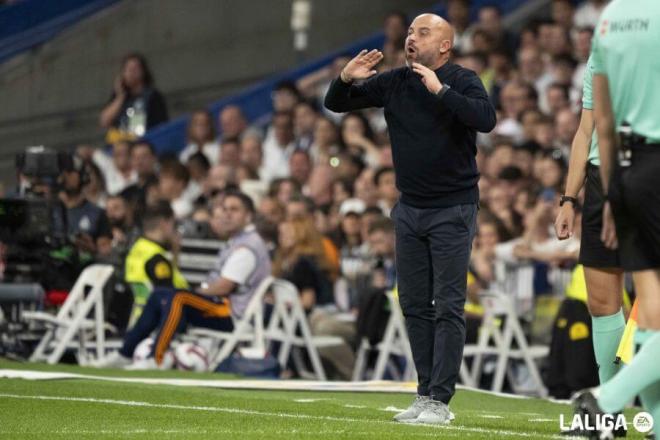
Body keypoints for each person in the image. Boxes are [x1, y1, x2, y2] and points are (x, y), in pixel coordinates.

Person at [325, 13, 495, 424]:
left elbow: (485, 120)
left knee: (449, 306)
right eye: (409, 33)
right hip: (410, 209)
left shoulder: (463, 78)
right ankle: (423, 393)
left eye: (423, 32)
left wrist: (441, 92)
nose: (411, 38)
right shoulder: (396, 82)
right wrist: (345, 79)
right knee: (414, 303)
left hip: (453, 208)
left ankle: (440, 401)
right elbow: (335, 104)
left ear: (444, 46)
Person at [571, 1, 660, 437]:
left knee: (652, 309)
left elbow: (601, 122)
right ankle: (608, 403)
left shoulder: (609, 21)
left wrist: (609, 190)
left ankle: (622, 415)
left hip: (624, 169)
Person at [97, 191, 271, 369]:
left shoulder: (247, 247)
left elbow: (224, 287)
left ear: (249, 216)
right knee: (160, 294)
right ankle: (125, 353)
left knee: (178, 298)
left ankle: (156, 357)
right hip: (220, 307)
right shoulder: (238, 241)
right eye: (224, 209)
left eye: (234, 210)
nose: (227, 214)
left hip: (232, 313)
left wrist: (195, 292)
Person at [553, 53, 625, 415]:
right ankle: (608, 409)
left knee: (652, 304)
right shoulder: (601, 53)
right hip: (599, 181)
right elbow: (585, 131)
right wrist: (569, 199)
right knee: (600, 302)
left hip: (646, 173)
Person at [99, 53, 168, 143]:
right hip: (119, 146)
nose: (131, 72)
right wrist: (120, 97)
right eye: (128, 69)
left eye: (135, 69)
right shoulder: (119, 97)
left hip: (143, 145)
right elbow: (104, 121)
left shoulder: (153, 96)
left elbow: (160, 127)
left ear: (143, 71)